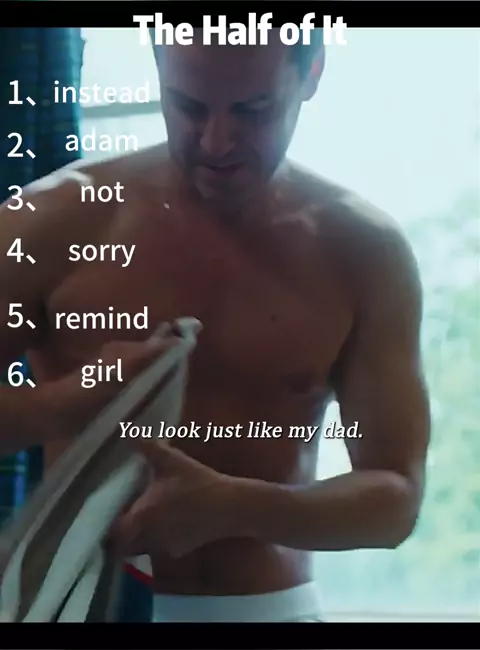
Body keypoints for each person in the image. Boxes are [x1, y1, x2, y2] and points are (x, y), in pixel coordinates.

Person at [0, 30, 430, 622]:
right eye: (189, 106)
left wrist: (238, 507)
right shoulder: (46, 223)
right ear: (158, 66)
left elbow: (395, 500)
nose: (216, 142)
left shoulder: (363, 252)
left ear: (311, 74)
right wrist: (63, 406)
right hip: (75, 608)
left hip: (266, 611)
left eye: (253, 110)